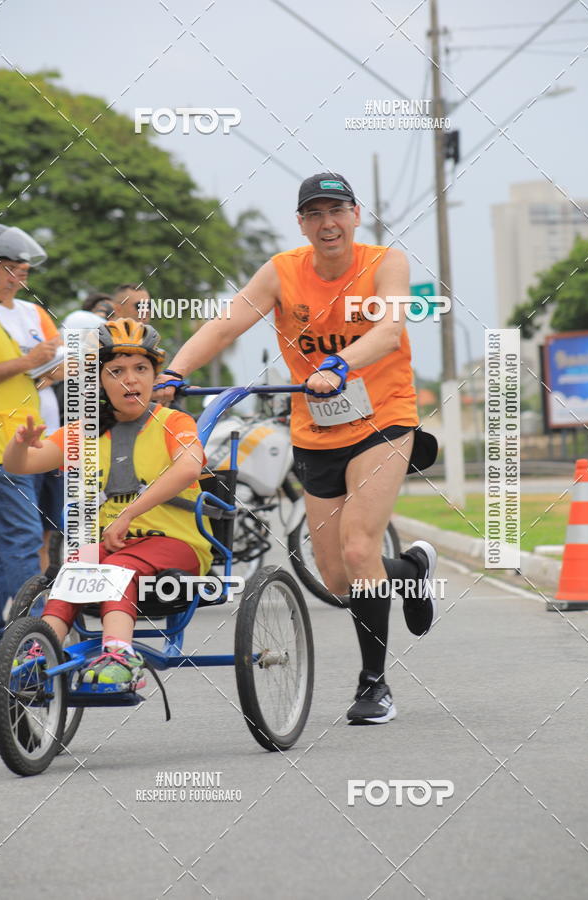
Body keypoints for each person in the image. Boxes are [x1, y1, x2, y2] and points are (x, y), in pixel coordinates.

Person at [155, 172, 440, 725]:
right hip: (316, 431)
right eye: (315, 214)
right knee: (336, 577)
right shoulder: (282, 272)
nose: (327, 223)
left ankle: (374, 685)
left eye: (337, 211)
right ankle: (409, 569)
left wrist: (338, 364)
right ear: (302, 224)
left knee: (359, 548)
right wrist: (175, 371)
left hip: (383, 420)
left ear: (356, 215)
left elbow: (387, 332)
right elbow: (225, 326)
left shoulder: (386, 263)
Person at [2, 318, 212, 686]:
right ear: (99, 381)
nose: (130, 380)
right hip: (113, 548)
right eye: (116, 371)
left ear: (155, 377)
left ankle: (120, 655)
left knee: (114, 566)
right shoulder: (85, 431)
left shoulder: (175, 422)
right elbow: (20, 466)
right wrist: (19, 445)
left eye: (141, 369)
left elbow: (189, 468)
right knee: (74, 569)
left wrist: (129, 514)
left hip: (178, 544)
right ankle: (41, 652)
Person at [0, 224, 62, 652]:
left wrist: (47, 368)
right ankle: (30, 645)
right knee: (21, 542)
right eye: (9, 267)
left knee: (10, 547)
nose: (19, 274)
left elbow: (53, 365)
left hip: (29, 445)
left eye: (23, 268)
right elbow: (29, 364)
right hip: (2, 448)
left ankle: (5, 646)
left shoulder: (33, 313)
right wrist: (27, 362)